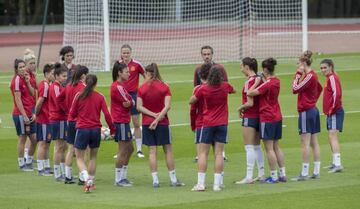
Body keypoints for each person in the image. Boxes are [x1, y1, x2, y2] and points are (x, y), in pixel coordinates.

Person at [137, 63, 184, 188]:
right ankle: (173, 180)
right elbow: (167, 106)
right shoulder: (164, 87)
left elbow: (139, 107)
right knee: (168, 150)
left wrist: (153, 117)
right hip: (163, 122)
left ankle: (155, 181)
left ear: (147, 73)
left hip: (147, 123)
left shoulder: (141, 88)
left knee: (152, 151)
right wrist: (157, 118)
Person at [190, 65, 235, 192]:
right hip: (222, 124)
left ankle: (201, 184)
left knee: (202, 153)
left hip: (208, 123)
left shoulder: (203, 89)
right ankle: (217, 184)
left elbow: (192, 100)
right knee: (219, 154)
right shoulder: (225, 86)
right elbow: (233, 90)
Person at [69, 74, 115, 193]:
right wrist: (113, 130)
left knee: (79, 157)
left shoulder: (78, 96)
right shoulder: (100, 96)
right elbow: (107, 115)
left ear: (85, 82)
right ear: (95, 83)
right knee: (93, 157)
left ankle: (86, 179)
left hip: (82, 129)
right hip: (95, 131)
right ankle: (90, 181)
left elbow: (72, 114)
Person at [248, 58, 287, 183]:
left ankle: (273, 176)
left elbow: (250, 92)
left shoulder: (267, 83)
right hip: (277, 116)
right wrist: (264, 80)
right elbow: (268, 86)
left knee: (269, 148)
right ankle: (282, 174)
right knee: (276, 146)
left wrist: (257, 81)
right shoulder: (277, 81)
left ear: (265, 69)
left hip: (267, 117)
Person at [193, 45, 229, 161]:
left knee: (218, 126)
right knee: (205, 127)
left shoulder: (220, 68)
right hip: (203, 105)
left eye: (208, 54)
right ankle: (200, 153)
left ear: (212, 54)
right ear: (201, 55)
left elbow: (226, 86)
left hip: (217, 104)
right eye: (204, 54)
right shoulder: (198, 70)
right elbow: (196, 87)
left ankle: (221, 152)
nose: (206, 56)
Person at [291, 51, 323, 181]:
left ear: (304, 63)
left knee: (305, 143)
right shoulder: (313, 76)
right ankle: (316, 171)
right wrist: (313, 100)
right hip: (312, 110)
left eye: (299, 63)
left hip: (306, 111)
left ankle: (304, 173)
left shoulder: (309, 76)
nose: (297, 65)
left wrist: (298, 74)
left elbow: (295, 88)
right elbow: (320, 88)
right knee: (314, 142)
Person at [235, 57, 265, 184]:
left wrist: (240, 108)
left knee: (249, 147)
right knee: (257, 146)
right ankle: (261, 173)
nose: (240, 68)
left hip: (250, 117)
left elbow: (250, 103)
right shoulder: (260, 80)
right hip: (260, 116)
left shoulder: (249, 82)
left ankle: (248, 176)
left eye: (241, 66)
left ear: (247, 67)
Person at [57, 65, 89, 184]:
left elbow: (59, 99)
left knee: (71, 149)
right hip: (81, 121)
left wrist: (67, 110)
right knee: (83, 150)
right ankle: (82, 177)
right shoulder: (84, 88)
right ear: (83, 76)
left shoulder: (68, 86)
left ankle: (68, 176)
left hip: (70, 121)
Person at [118, 44, 145, 158]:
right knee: (122, 124)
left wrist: (143, 90)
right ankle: (121, 151)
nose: (125, 55)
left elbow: (146, 76)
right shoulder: (118, 65)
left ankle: (139, 150)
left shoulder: (137, 65)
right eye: (124, 53)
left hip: (133, 95)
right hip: (121, 95)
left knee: (136, 123)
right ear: (121, 53)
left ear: (131, 53)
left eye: (127, 52)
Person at [111, 62, 135, 187]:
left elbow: (130, 101)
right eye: (126, 72)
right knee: (122, 150)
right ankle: (118, 179)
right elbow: (129, 101)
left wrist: (131, 101)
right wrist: (131, 102)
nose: (128, 74)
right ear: (119, 73)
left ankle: (123, 176)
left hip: (124, 120)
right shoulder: (117, 87)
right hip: (120, 121)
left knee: (130, 149)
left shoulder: (121, 86)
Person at [10, 59, 37, 171]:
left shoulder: (24, 78)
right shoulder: (16, 80)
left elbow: (32, 93)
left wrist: (27, 82)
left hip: (29, 112)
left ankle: (29, 161)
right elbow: (18, 100)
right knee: (23, 138)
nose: (22, 69)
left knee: (35, 139)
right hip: (21, 114)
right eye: (20, 67)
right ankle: (22, 164)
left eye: (23, 67)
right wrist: (24, 115)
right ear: (16, 69)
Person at [320, 59, 344, 173]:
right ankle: (335, 162)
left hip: (334, 111)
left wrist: (331, 109)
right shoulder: (330, 78)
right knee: (331, 136)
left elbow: (337, 94)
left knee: (333, 136)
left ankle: (338, 164)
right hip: (331, 112)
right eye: (321, 68)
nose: (323, 70)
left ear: (330, 67)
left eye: (325, 67)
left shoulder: (332, 78)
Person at [49, 63, 68, 181]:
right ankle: (57, 174)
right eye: (63, 76)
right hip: (58, 119)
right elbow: (59, 102)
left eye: (66, 76)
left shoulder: (60, 86)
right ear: (56, 76)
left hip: (60, 119)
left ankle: (62, 171)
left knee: (63, 146)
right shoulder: (56, 87)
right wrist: (70, 111)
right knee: (59, 146)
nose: (65, 78)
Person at [35, 63, 55, 176]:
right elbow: (40, 101)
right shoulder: (45, 85)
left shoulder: (47, 84)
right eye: (52, 73)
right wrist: (36, 114)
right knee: (42, 143)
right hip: (43, 119)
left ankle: (46, 167)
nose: (54, 75)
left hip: (48, 119)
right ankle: (40, 168)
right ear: (47, 74)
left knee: (47, 143)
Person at [23, 49, 37, 165]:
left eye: (34, 63)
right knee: (29, 134)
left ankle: (27, 155)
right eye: (31, 63)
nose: (33, 65)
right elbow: (32, 91)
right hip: (27, 106)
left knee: (30, 134)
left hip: (32, 104)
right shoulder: (25, 75)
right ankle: (26, 156)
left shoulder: (32, 74)